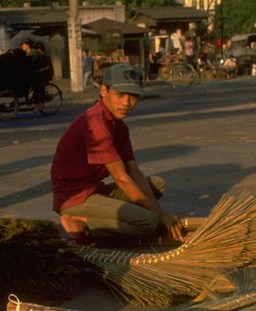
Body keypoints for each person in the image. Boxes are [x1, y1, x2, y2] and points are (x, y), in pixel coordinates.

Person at [50, 63, 183, 245]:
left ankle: (117, 217)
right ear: (104, 91)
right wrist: (160, 215)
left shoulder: (119, 126)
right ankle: (81, 222)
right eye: (120, 95)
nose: (126, 103)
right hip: (74, 197)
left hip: (95, 190)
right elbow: (122, 178)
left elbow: (133, 171)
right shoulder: (97, 124)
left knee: (157, 184)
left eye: (133, 97)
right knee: (148, 222)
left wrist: (158, 211)